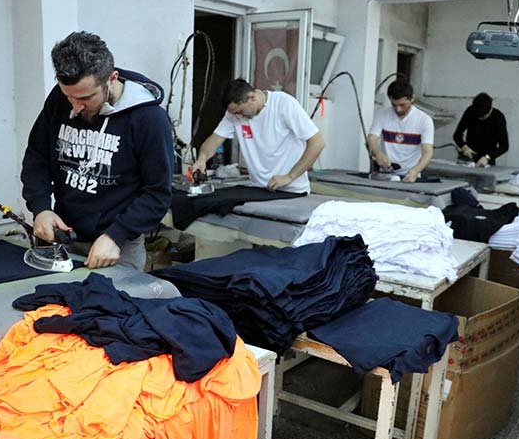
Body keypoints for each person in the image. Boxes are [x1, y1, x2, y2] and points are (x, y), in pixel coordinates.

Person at [21, 31, 173, 270]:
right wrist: (41, 208)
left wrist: (116, 235)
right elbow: (37, 158)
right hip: (63, 237)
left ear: (111, 78)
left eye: (86, 97)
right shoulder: (60, 99)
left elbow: (157, 194)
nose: (75, 106)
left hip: (117, 246)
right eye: (68, 96)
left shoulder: (149, 119)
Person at [190, 78, 324, 194]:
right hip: (259, 190)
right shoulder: (233, 115)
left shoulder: (284, 104)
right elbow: (215, 139)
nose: (238, 117)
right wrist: (202, 159)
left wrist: (289, 177)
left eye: (240, 111)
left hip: (292, 190)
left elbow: (317, 142)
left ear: (252, 97)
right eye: (234, 113)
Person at [367, 79, 434, 182]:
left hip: (410, 175)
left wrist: (416, 170)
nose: (398, 109)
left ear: (412, 99)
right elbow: (372, 138)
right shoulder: (381, 115)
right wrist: (377, 152)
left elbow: (427, 151)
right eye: (394, 105)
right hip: (386, 174)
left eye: (402, 105)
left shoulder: (424, 120)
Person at [453, 92, 508, 167]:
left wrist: (487, 157)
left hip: (487, 161)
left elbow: (504, 146)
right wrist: (464, 147)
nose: (479, 119)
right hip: (468, 158)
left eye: (482, 117)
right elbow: (457, 135)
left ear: (489, 111)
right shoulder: (470, 111)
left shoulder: (498, 118)